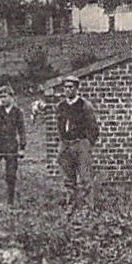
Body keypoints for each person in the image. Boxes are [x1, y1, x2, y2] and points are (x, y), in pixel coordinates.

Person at [54, 77, 100, 212]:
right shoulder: (61, 106)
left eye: (71, 87)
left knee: (85, 177)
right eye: (66, 87)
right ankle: (71, 204)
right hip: (65, 144)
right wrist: (62, 141)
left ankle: (87, 207)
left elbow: (93, 128)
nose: (68, 90)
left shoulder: (84, 105)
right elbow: (59, 125)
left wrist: (87, 143)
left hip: (80, 144)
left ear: (77, 88)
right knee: (68, 178)